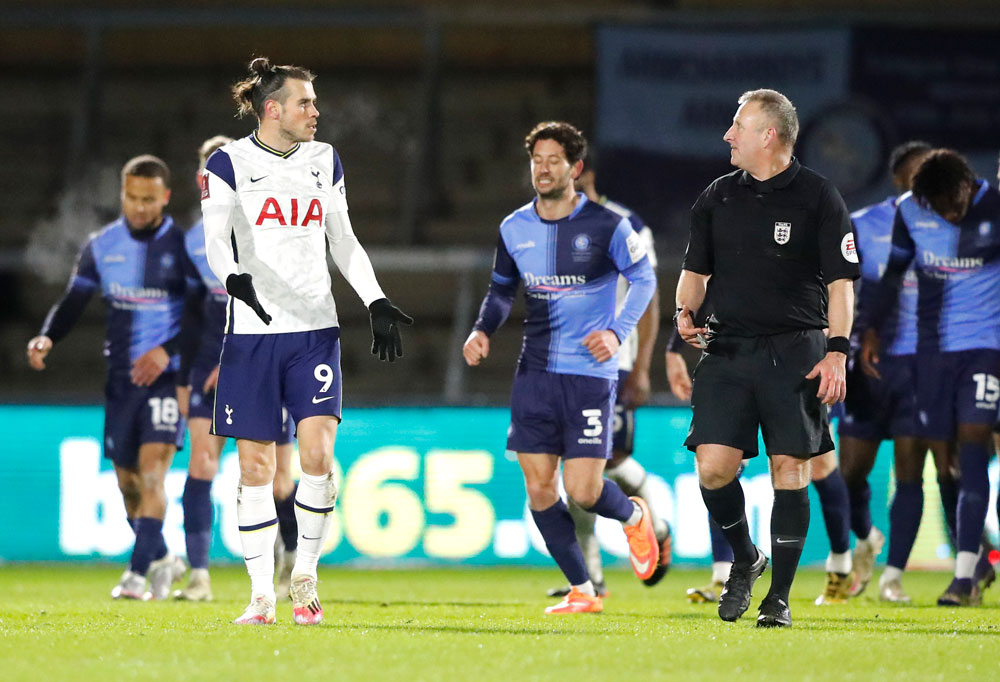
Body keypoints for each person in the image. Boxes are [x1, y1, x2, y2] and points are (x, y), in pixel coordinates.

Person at [200, 57, 412, 625]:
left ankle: (305, 576)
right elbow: (214, 239)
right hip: (251, 334)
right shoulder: (228, 162)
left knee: (318, 456)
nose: (315, 112)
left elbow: (343, 239)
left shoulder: (325, 159)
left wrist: (375, 299)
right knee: (255, 469)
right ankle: (259, 594)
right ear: (273, 109)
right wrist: (233, 278)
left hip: (315, 331)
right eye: (305, 103)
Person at [675, 89, 860, 627]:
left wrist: (837, 353)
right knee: (713, 469)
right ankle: (745, 557)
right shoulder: (716, 196)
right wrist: (683, 313)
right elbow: (695, 271)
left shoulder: (819, 197)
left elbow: (842, 284)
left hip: (795, 347)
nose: (728, 135)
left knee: (790, 470)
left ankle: (777, 598)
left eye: (738, 126)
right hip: (729, 347)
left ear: (769, 135)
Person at [463, 121, 659, 615]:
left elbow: (645, 279)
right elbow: (502, 289)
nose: (543, 169)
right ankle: (583, 590)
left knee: (585, 490)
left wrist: (616, 331)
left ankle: (634, 515)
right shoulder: (514, 227)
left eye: (553, 160)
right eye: (537, 160)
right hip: (534, 373)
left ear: (575, 168)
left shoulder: (607, 225)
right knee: (539, 487)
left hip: (590, 375)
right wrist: (482, 330)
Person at [27, 155, 198, 600]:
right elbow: (73, 301)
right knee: (127, 484)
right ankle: (163, 559)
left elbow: (204, 315)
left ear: (164, 197)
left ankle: (135, 576)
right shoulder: (101, 246)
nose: (139, 207)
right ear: (123, 195)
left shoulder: (183, 249)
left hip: (165, 379)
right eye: (131, 198)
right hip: (121, 381)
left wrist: (167, 351)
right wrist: (48, 337)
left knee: (153, 476)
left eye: (148, 199)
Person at [865, 149, 1000, 606]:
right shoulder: (909, 212)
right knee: (949, 466)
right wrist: (870, 331)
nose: (951, 213)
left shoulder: (995, 206)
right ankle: (977, 567)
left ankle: (963, 577)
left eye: (955, 202)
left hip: (985, 348)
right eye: (940, 206)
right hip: (930, 355)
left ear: (969, 184)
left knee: (975, 443)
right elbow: (891, 274)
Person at [174, 136, 301, 602]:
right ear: (200, 178)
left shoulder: (271, 229)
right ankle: (200, 575)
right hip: (206, 362)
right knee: (202, 463)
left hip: (263, 357)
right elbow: (185, 314)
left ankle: (291, 557)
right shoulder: (191, 241)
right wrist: (185, 374)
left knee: (278, 475)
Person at [545, 157, 672, 599]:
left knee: (608, 461)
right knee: (573, 466)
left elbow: (649, 298)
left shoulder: (627, 224)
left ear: (584, 174)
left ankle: (653, 524)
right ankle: (589, 576)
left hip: (613, 363)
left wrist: (641, 368)